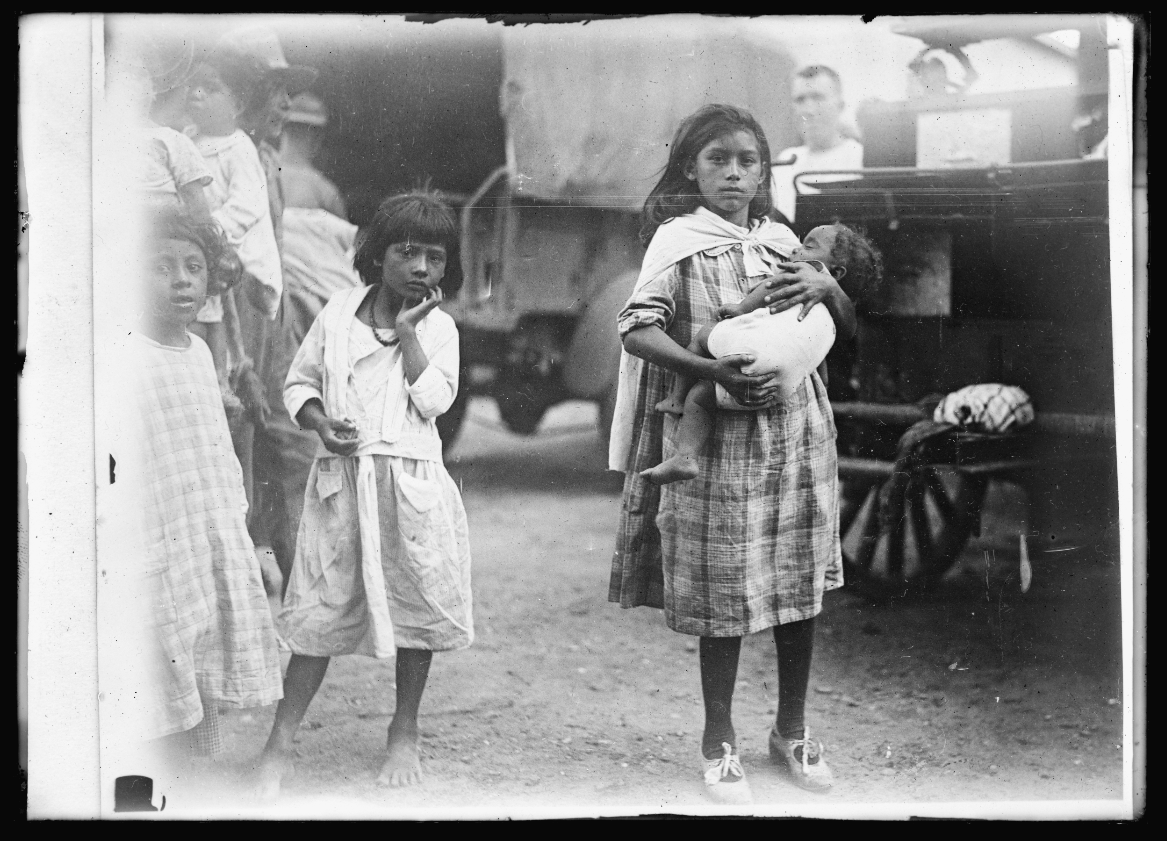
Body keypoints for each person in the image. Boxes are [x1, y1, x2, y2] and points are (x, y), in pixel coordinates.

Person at [608, 104, 855, 803]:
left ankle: (792, 729)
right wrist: (710, 371)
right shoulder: (677, 241)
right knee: (726, 590)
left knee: (798, 583)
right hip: (719, 440)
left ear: (762, 171)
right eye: (718, 159)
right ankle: (718, 740)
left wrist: (828, 288)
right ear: (692, 167)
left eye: (747, 161)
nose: (734, 173)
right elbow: (634, 329)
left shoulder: (786, 243)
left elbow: (849, 329)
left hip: (798, 435)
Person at [252, 191, 472, 802]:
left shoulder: (441, 328)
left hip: (409, 487)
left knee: (415, 606)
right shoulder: (338, 311)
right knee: (318, 611)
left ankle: (405, 728)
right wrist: (323, 423)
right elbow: (300, 383)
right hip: (343, 487)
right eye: (407, 252)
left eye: (434, 256)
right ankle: (281, 741)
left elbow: (434, 403)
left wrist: (407, 336)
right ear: (377, 256)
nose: (421, 267)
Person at [122, 206, 283, 771]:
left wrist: (248, 540)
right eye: (161, 267)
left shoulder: (200, 354)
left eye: (193, 266)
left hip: (204, 540)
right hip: (153, 546)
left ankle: (197, 787)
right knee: (154, 675)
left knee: (203, 664)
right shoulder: (123, 358)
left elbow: (220, 457)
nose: (182, 279)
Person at [643, 223, 882, 485]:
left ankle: (680, 418)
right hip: (782, 386)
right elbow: (817, 358)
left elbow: (771, 286)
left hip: (750, 355)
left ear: (835, 271)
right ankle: (684, 458)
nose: (796, 249)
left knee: (703, 354)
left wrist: (741, 308)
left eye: (808, 246)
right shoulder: (832, 319)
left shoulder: (812, 272)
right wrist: (821, 381)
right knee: (708, 393)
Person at [260, 92, 363, 593]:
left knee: (276, 449)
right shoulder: (324, 190)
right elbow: (341, 273)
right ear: (316, 136)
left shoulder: (261, 171)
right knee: (300, 452)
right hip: (307, 320)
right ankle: (310, 572)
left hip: (279, 318)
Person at [771, 66, 864, 224]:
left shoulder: (860, 158)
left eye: (818, 98)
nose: (809, 110)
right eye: (800, 100)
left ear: (840, 105)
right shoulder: (784, 162)